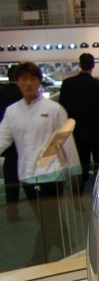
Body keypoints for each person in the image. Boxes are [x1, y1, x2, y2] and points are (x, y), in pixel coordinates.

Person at [0, 62, 81, 265]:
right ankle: (72, 255)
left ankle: (37, 261)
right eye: (24, 79)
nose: (28, 83)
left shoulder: (54, 109)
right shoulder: (12, 112)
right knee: (51, 222)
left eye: (33, 79)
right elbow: (2, 139)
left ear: (39, 81)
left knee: (49, 220)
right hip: (27, 175)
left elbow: (66, 142)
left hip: (53, 174)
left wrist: (75, 171)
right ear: (17, 82)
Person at [58, 52, 99, 186]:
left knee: (80, 165)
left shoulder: (67, 84)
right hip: (97, 132)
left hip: (76, 132)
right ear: (93, 65)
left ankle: (79, 194)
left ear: (80, 64)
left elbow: (62, 109)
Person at [1, 65, 22, 221]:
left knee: (10, 176)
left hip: (7, 140)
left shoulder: (2, 92)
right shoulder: (24, 94)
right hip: (24, 140)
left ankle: (12, 209)